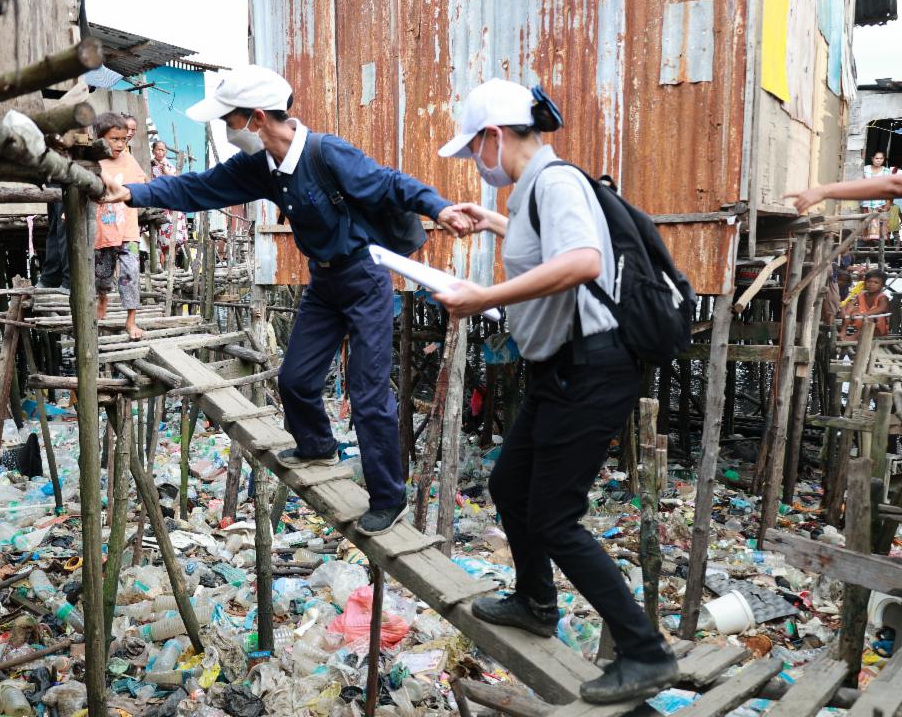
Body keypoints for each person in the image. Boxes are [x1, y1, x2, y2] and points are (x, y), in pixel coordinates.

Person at [98, 65, 471, 536]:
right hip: (325, 282)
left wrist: (440, 207)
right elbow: (197, 188)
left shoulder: (327, 153)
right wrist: (131, 192)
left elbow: (391, 183)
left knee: (368, 390)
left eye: (230, 122)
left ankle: (387, 496)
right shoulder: (262, 167)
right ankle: (316, 443)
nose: (228, 132)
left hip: (366, 277)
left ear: (255, 119)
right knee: (295, 379)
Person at [434, 78, 677, 704]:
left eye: (474, 151)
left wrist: (482, 297)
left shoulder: (557, 181)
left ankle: (644, 651)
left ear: (494, 136)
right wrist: (492, 221)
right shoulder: (536, 189)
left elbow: (583, 261)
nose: (475, 164)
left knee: (556, 518)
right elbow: (544, 242)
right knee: (509, 485)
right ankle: (536, 601)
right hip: (561, 369)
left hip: (594, 368)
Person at [93, 112, 149, 340]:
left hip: (128, 230)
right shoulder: (93, 162)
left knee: (130, 273)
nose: (119, 144)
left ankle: (131, 320)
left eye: (123, 139)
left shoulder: (128, 159)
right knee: (102, 275)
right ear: (99, 138)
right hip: (103, 230)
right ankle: (103, 298)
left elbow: (142, 182)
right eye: (113, 139)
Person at [840, 267, 890, 339]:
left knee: (870, 319)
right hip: (862, 321)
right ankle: (843, 331)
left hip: (877, 328)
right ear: (865, 282)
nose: (871, 284)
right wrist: (845, 311)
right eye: (869, 281)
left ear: (882, 285)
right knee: (851, 308)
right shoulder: (861, 295)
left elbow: (881, 309)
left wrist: (863, 314)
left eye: (876, 282)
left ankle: (853, 337)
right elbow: (850, 304)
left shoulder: (882, 297)